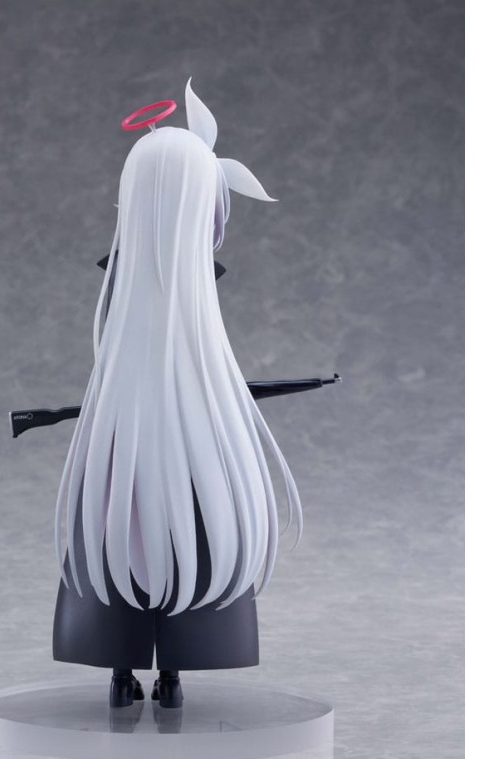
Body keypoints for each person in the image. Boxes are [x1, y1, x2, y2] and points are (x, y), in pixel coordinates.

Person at [52, 79, 305, 708]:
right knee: (129, 536)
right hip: (140, 439)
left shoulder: (180, 309)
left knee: (167, 533)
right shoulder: (134, 301)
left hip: (170, 437)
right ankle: (134, 669)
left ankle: (157, 671)